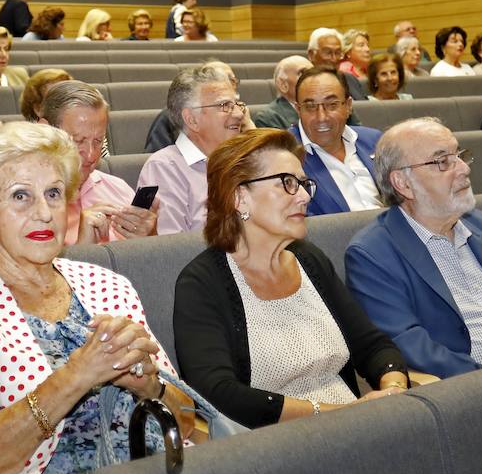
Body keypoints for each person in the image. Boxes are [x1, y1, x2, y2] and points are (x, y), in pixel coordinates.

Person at [0, 122, 215, 474]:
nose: (43, 213)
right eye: (20, 196)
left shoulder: (109, 286)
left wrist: (147, 385)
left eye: (53, 194)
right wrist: (79, 374)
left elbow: (184, 419)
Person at [173, 128, 411, 428]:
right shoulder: (202, 283)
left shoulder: (309, 259)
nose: (303, 196)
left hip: (358, 425)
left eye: (303, 183)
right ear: (239, 198)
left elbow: (373, 346)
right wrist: (336, 414)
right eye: (287, 183)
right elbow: (218, 393)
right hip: (275, 447)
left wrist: (393, 390)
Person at [345, 118, 482, 378]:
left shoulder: (481, 225)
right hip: (481, 391)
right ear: (403, 183)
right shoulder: (372, 254)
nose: (464, 168)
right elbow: (411, 345)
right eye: (442, 161)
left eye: (460, 155)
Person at [38, 80, 158, 243]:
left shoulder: (118, 189)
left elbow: (157, 265)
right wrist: (83, 250)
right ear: (46, 131)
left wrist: (150, 237)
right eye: (78, 141)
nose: (91, 155)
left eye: (98, 141)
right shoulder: (26, 205)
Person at [137, 63, 247, 233]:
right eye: (225, 106)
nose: (240, 114)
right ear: (192, 120)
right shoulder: (165, 167)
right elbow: (172, 249)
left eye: (237, 104)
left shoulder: (244, 160)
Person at [291, 67, 382, 216]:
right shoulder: (285, 155)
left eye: (332, 105)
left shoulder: (374, 141)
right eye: (310, 107)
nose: (322, 117)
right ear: (298, 109)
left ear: (348, 106)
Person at [254, 55, 313, 129]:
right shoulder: (268, 118)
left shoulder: (323, 109)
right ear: (283, 85)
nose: (312, 78)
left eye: (313, 73)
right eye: (302, 73)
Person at [308, 28, 367, 99]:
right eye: (328, 52)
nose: (334, 58)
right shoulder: (305, 84)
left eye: (338, 53)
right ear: (311, 55)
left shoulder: (350, 79)